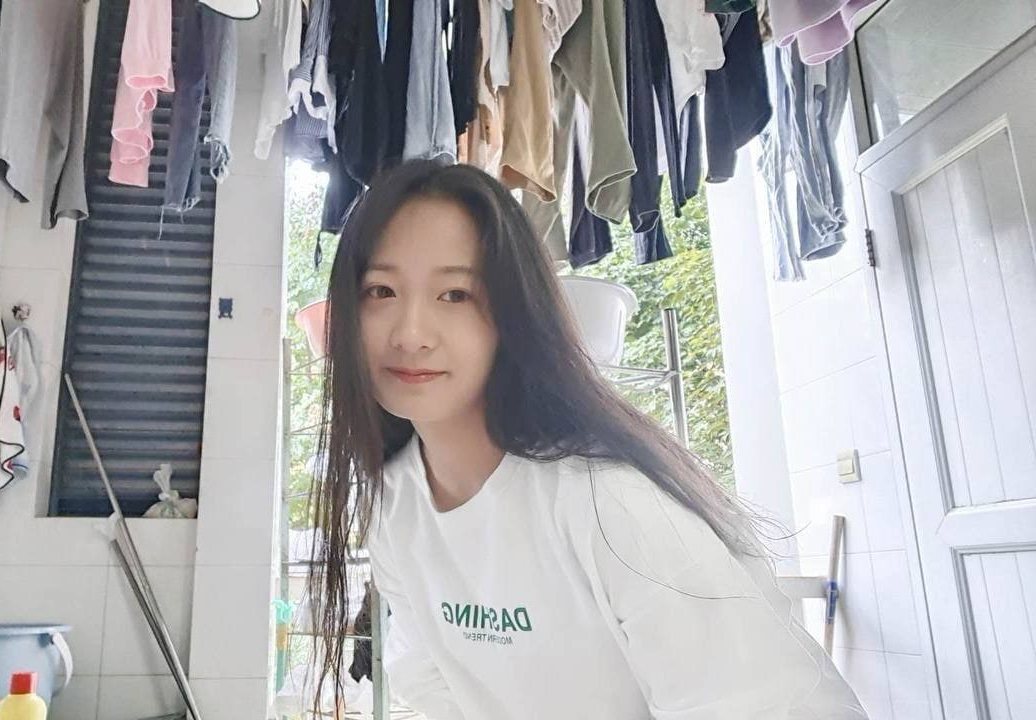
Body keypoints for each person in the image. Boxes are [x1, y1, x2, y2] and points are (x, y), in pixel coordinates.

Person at [305, 160, 868, 719]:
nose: (410, 334)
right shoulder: (393, 506)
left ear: (514, 313)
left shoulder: (609, 501)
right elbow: (430, 681)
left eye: (455, 294)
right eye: (380, 291)